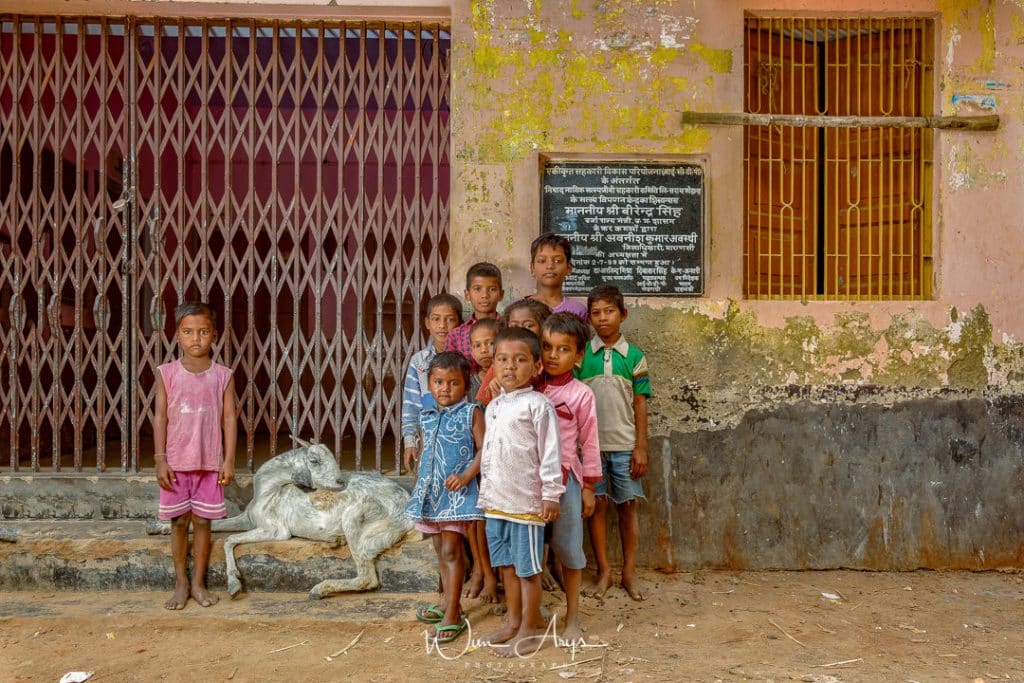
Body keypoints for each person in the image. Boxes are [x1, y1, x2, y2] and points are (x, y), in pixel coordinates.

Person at [478, 327, 564, 657]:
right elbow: (489, 452)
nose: (509, 367)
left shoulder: (538, 406)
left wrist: (551, 494)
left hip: (525, 504)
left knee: (528, 571)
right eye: (502, 359)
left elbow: (550, 452)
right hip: (497, 503)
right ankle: (513, 623)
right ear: (494, 366)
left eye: (519, 360)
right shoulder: (494, 405)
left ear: (537, 367)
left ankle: (529, 630)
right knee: (507, 568)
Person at [153, 302, 237, 610]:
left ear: (215, 335)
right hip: (176, 463)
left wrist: (228, 460)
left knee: (203, 522)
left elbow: (229, 419)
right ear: (177, 336)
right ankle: (181, 583)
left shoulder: (223, 376)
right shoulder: (167, 373)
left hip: (209, 463)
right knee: (178, 523)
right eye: (188, 332)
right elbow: (160, 416)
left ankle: (199, 583)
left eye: (203, 332)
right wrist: (161, 458)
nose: (196, 339)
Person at [577, 285, 650, 601]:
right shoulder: (582, 357)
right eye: (596, 313)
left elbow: (640, 403)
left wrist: (641, 446)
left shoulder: (634, 357)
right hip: (590, 449)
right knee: (597, 508)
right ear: (589, 318)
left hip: (624, 445)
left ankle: (629, 572)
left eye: (609, 311)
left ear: (623, 314)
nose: (602, 318)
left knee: (628, 506)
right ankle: (604, 571)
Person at [405, 352, 485, 643]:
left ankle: (452, 615)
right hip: (431, 496)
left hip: (457, 496)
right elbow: (427, 451)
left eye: (453, 383)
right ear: (429, 384)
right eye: (438, 382)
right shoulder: (426, 415)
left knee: (452, 552)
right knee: (441, 551)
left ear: (466, 386)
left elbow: (484, 450)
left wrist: (465, 475)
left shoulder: (471, 412)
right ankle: (449, 604)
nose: (444, 388)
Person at [538, 313, 602, 644]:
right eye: (547, 347)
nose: (552, 355)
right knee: (531, 547)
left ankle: (573, 616)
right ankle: (531, 612)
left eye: (563, 349)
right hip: (527, 480)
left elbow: (589, 442)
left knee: (568, 547)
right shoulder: (528, 386)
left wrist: (589, 487)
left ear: (578, 356)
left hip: (566, 480)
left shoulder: (580, 394)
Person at [402, 293, 463, 473]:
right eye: (436, 319)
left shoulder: (465, 360)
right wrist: (410, 442)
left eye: (449, 320)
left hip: (461, 437)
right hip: (429, 439)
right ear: (427, 323)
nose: (442, 326)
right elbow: (411, 405)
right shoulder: (419, 362)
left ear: (459, 323)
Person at [475, 299, 551, 406]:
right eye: (514, 326)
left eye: (529, 325)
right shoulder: (498, 366)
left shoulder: (550, 362)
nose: (521, 330)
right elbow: (483, 407)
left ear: (543, 327)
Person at [445, 262, 504, 373]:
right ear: (467, 294)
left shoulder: (509, 329)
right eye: (477, 289)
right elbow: (451, 373)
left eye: (492, 289)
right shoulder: (456, 336)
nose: (484, 295)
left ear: (501, 294)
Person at [522, 233, 588, 321]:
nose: (550, 266)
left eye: (557, 261)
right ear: (532, 268)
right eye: (542, 261)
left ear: (568, 268)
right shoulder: (519, 308)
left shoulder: (578, 311)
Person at [468, 317, 500, 400]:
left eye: (491, 343)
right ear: (471, 351)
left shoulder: (508, 376)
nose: (483, 350)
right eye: (477, 345)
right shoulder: (468, 380)